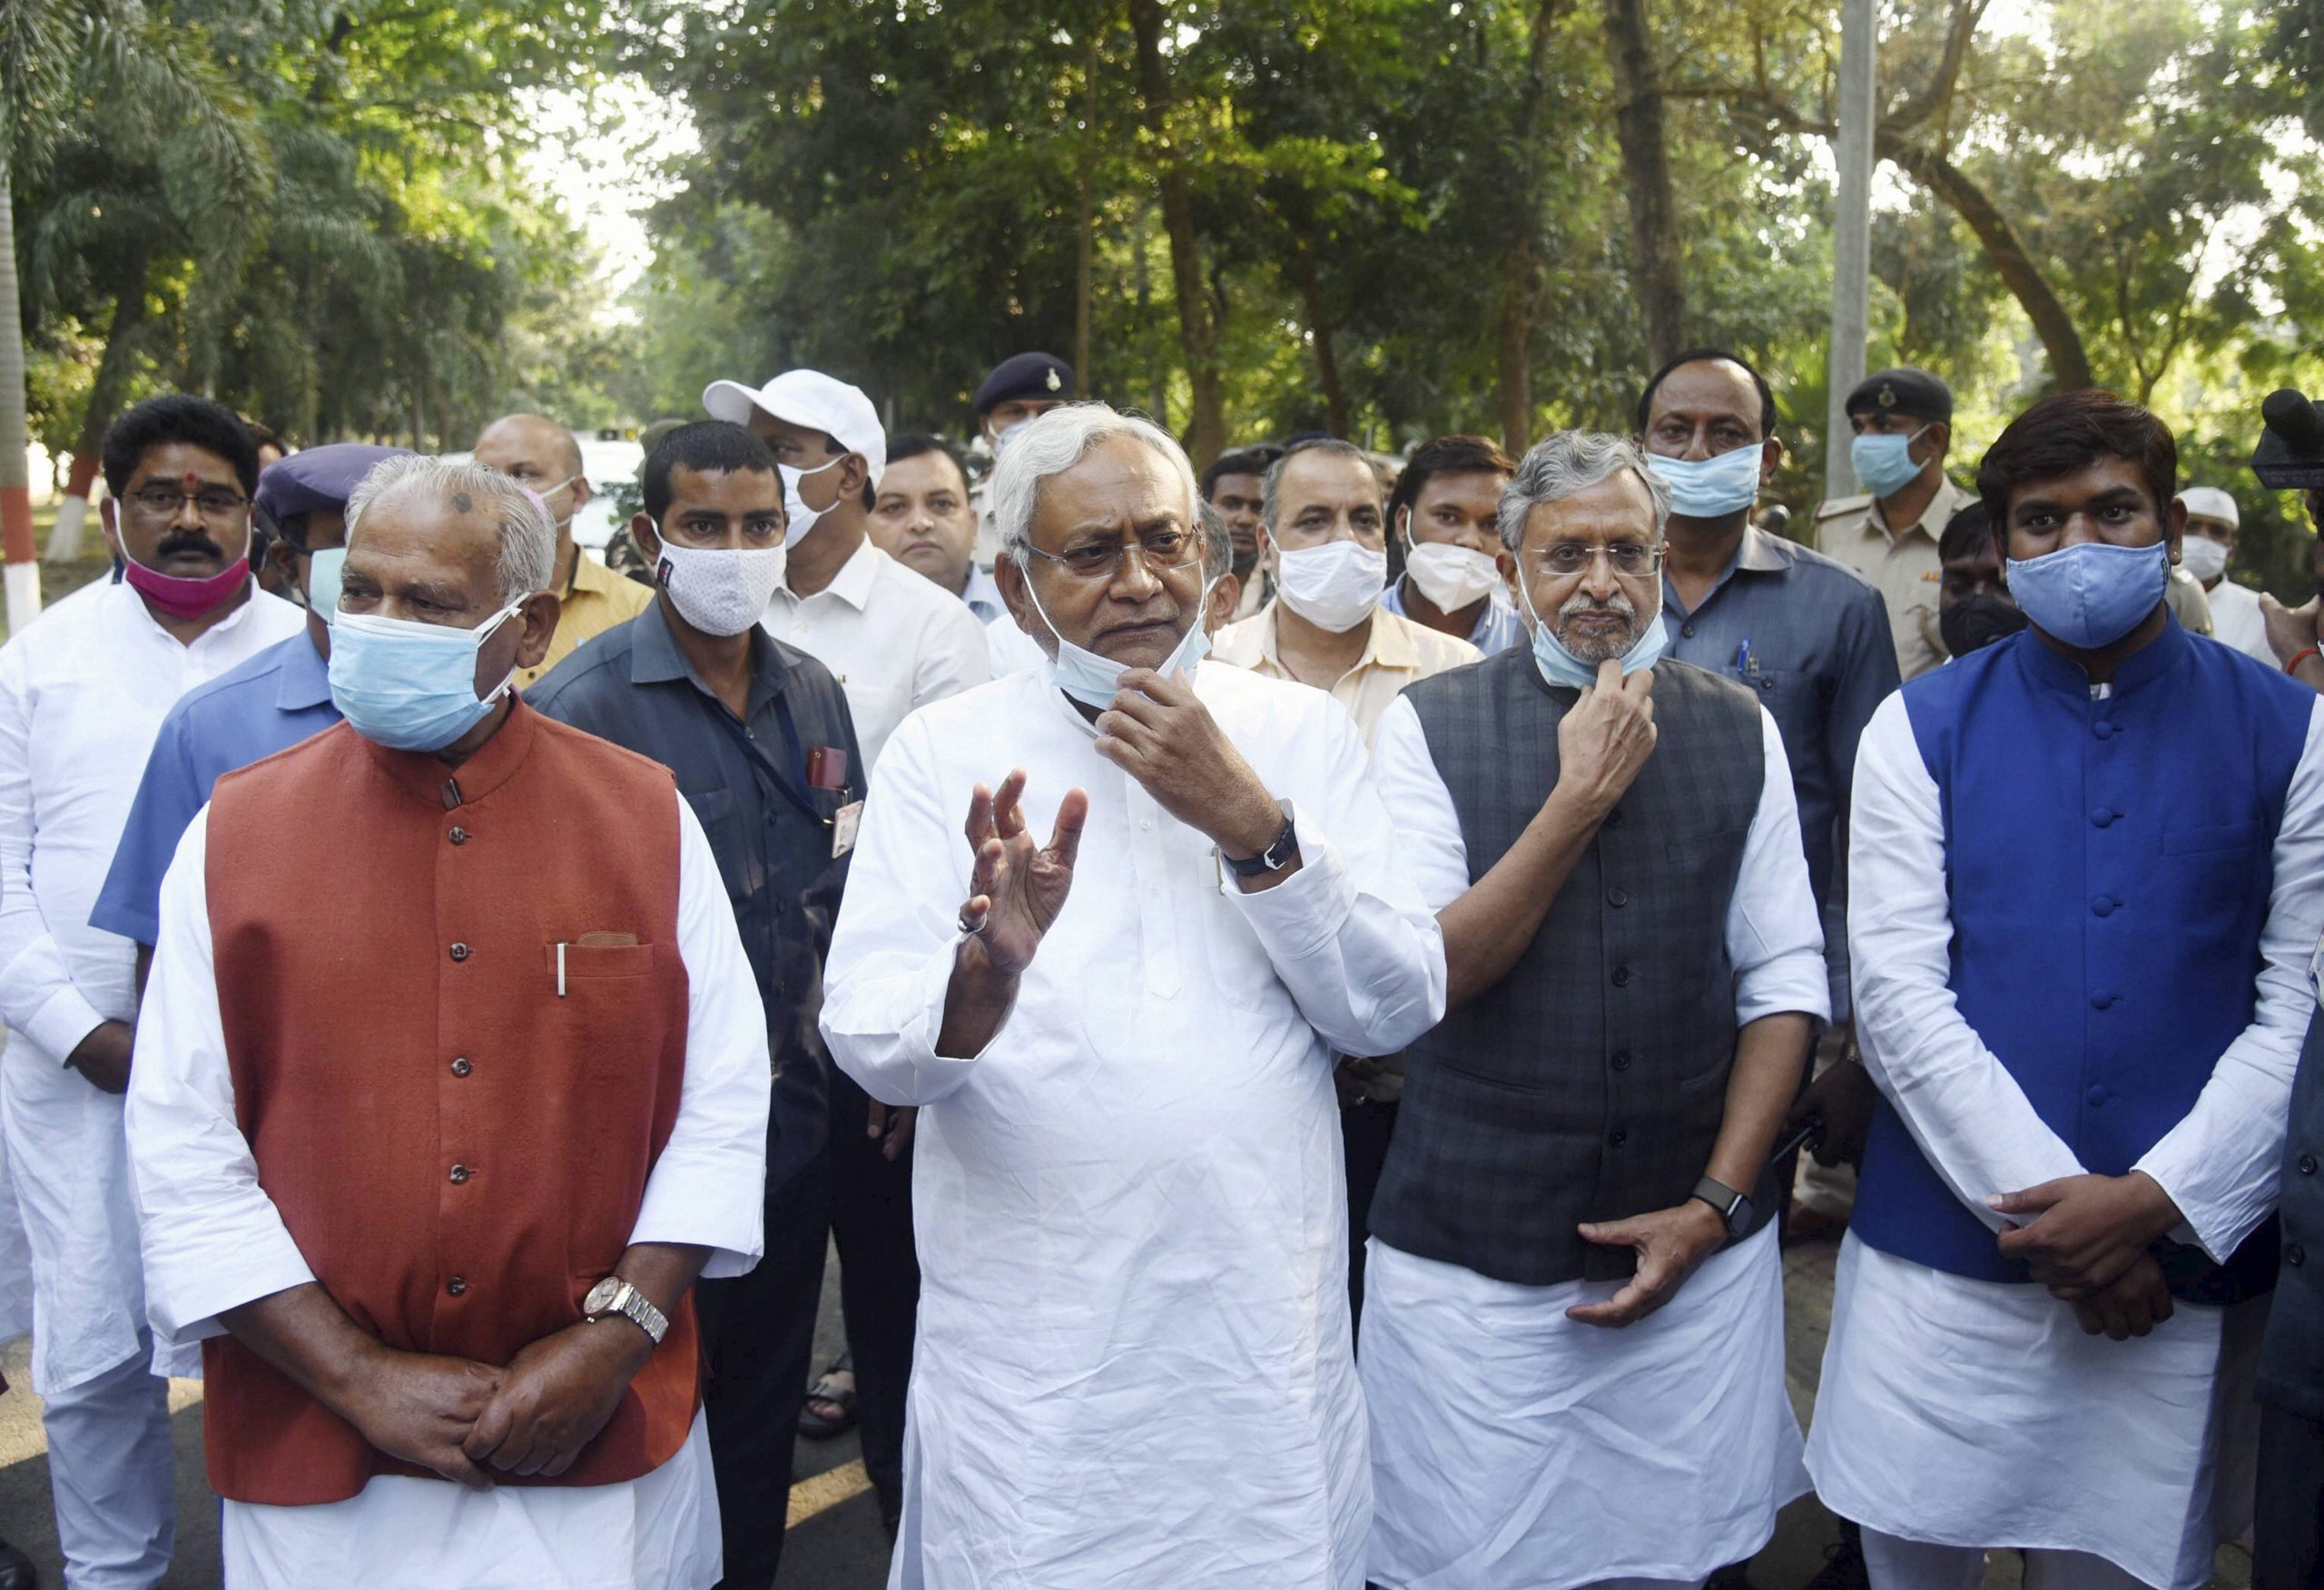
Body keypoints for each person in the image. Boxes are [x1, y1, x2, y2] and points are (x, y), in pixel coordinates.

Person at [820, 402, 1446, 1587]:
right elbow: (866, 1038)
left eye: (1165, 540)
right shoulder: (945, 752)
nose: (1141, 581)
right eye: (1093, 552)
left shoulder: (1297, 733)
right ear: (1017, 590)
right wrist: (984, 974)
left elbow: (1393, 1006)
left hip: (1253, 1326)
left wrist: (1253, 827)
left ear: (1211, 556)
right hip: (1036, 1346)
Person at [123, 454, 771, 1590]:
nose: (379, 625)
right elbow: (180, 1145)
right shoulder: (233, 834)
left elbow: (721, 1103)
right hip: (320, 1452)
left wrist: (615, 1337)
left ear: (528, 632)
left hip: (596, 1435)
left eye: (427, 604)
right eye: (361, 590)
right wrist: (356, 1375)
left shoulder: (646, 819)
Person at [1806, 389, 2324, 1590]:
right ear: (2001, 542)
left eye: (2112, 512)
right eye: (2043, 521)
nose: (2077, 544)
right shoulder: (1918, 726)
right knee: (1911, 1559)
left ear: (2166, 524)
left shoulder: (2291, 730)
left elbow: (2298, 1005)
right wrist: (2065, 1226)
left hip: (2178, 1272)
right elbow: (1899, 999)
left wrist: (2154, 1202)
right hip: (1944, 1264)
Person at [1361, 431, 1826, 1590]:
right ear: (1512, 570)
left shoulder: (1737, 725)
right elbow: (1432, 978)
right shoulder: (1429, 724)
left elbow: (1782, 982)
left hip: (1697, 1256)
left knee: (1681, 1555)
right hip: (1473, 1268)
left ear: (1663, 561)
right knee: (1471, 1556)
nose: (1601, 583)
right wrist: (1577, 797)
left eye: (1628, 551)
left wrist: (1716, 1204)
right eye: (1566, 555)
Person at [528, 422, 858, 1588]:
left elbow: (843, 892)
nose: (735, 550)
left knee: (757, 1429)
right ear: (647, 537)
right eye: (704, 526)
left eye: (759, 525)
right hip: (642, 1171)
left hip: (792, 1140)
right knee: (634, 1434)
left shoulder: (814, 694)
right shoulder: (577, 710)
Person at [0, 396, 304, 1590]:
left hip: (274, 1075)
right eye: (160, 496)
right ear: (117, 506)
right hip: (79, 1069)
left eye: (215, 497)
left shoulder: (310, 652)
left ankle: (283, 1566)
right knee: (91, 1354)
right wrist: (79, 1033)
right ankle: (111, 1574)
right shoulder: (39, 661)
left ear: (251, 515)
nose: (188, 519)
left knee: (278, 1336)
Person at [702, 366, 988, 1522]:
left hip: (870, 1046)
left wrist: (918, 1050)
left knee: (894, 1315)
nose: (764, 469)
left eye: (786, 448)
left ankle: (910, 1528)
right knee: (740, 1320)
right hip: (738, 1035)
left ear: (848, 473)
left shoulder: (933, 632)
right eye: (756, 444)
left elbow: (962, 855)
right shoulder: (723, 607)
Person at [1637, 350, 1899, 1251]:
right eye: (1676, 431)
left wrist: (1857, 1041)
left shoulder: (1839, 608)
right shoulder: (1586, 593)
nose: (1698, 451)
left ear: (1769, 458)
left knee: (1740, 1233)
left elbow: (1874, 831)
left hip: (1770, 993)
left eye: (1727, 434)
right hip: (1605, 977)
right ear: (1640, 448)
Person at [92, 443, 409, 958]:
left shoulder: (471, 705)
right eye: (348, 543)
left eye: (405, 544)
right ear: (288, 564)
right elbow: (162, 945)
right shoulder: (206, 727)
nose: (383, 566)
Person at [1215, 437, 1482, 745]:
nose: (1346, 539)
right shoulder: (1214, 663)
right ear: (1266, 546)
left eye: (1364, 521)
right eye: (1315, 521)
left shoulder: (1457, 671)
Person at [470, 412, 654, 687]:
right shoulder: (438, 605)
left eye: (523, 475)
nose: (499, 491)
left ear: (578, 493)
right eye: (484, 476)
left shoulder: (636, 609)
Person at [1813, 368, 1973, 682]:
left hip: (1936, 712)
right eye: (1860, 427)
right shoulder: (1834, 528)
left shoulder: (1977, 531)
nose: (1866, 440)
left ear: (1934, 438)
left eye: (1884, 426)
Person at [1381, 434, 1525, 653]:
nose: (1469, 540)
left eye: (1491, 524)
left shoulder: (1526, 643)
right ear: (1402, 523)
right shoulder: (1354, 632)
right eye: (1447, 517)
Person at [871, 434, 1005, 622]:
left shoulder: (1023, 623)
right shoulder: (838, 626)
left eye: (941, 504)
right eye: (894, 507)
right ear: (862, 530)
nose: (920, 523)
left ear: (973, 525)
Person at [2179, 486, 2271, 662]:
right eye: (2191, 527)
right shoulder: (2139, 599)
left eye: (2217, 531)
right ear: (2169, 535)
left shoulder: (2260, 615)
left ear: (2232, 550)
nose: (2204, 538)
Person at [1204, 446, 1277, 621]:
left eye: (1258, 508)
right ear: (1204, 508)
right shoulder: (1180, 583)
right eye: (1231, 504)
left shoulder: (1286, 584)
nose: (1245, 520)